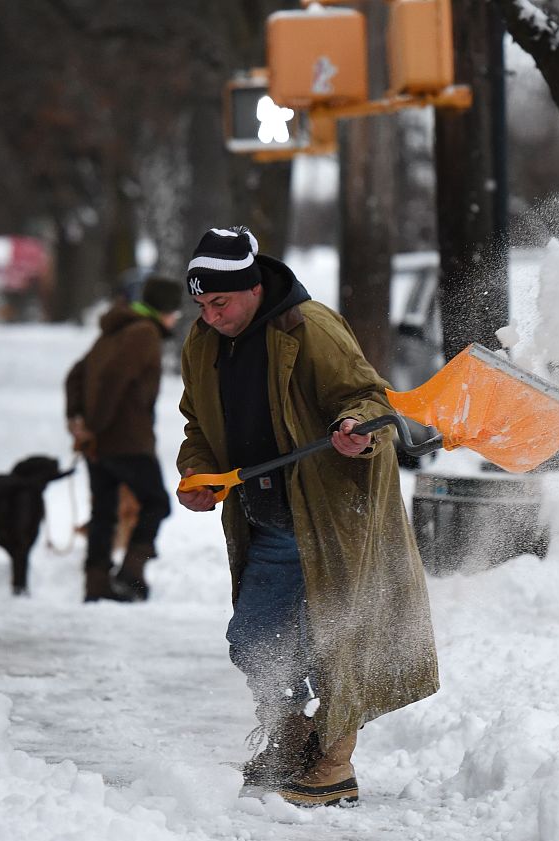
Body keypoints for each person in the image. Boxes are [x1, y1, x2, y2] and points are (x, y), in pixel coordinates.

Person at [175, 226, 439, 807]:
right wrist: (197, 471)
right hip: (265, 513)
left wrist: (354, 434)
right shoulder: (203, 342)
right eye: (201, 304)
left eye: (220, 302)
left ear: (251, 288)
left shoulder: (308, 327)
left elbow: (368, 399)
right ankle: (293, 741)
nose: (211, 316)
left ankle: (333, 765)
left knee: (334, 637)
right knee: (256, 640)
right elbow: (199, 423)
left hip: (328, 511)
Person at [65, 274, 182, 602]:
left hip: (99, 444)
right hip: (127, 441)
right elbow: (114, 379)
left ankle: (96, 586)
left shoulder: (113, 332)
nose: (176, 319)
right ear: (165, 309)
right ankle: (131, 577)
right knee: (156, 503)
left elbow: (76, 374)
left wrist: (79, 421)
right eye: (176, 311)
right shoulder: (144, 333)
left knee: (104, 511)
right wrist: (95, 426)